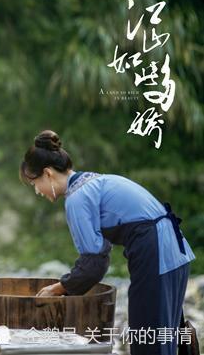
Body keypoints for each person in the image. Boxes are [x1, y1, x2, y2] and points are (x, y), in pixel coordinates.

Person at [20, 129, 195, 355]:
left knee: (149, 339)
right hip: (174, 249)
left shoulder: (76, 198)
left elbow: (93, 265)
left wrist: (57, 289)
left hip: (156, 251)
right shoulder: (92, 181)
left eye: (34, 183)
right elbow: (98, 260)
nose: (37, 191)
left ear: (48, 174)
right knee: (165, 335)